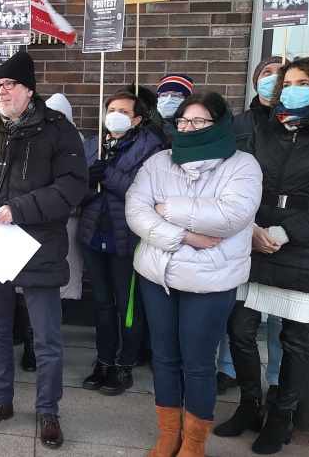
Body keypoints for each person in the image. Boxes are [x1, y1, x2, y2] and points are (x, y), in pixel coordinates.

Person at [217, 56, 309, 454]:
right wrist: (248, 228)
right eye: (288, 82)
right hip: (254, 242)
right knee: (240, 330)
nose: (291, 88)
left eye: (302, 82)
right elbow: (241, 182)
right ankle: (249, 405)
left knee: (295, 339)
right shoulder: (267, 130)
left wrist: (284, 232)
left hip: (303, 248)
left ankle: (281, 417)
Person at [0, 51, 87, 448]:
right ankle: (0, 400)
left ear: (29, 90)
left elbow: (71, 186)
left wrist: (20, 209)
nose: (1, 91)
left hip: (39, 245)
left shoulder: (58, 130)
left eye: (8, 84)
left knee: (46, 336)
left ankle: (48, 409)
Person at [126, 91, 262, 457]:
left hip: (211, 280)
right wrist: (184, 234)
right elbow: (137, 212)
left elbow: (231, 216)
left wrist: (167, 207)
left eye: (198, 121)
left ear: (219, 124)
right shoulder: (159, 162)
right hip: (159, 277)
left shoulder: (243, 165)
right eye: (184, 121)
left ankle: (194, 443)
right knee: (165, 358)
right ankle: (168, 434)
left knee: (199, 363)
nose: (188, 127)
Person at [78, 91, 161, 396]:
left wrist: (108, 175)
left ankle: (125, 364)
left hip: (126, 239)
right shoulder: (92, 145)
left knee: (128, 307)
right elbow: (77, 193)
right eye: (111, 109)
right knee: (102, 303)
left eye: (122, 111)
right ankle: (103, 360)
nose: (114, 115)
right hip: (92, 235)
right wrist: (88, 182)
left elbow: (145, 194)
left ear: (137, 119)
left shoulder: (151, 149)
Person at [219, 56, 286, 397]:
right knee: (238, 311)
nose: (273, 80)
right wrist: (250, 225)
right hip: (244, 225)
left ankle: (276, 380)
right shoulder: (237, 124)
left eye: (281, 74)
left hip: (285, 231)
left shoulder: (298, 126)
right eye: (266, 73)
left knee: (280, 317)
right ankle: (229, 370)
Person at [45, 93, 85, 302]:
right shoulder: (39, 140)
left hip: (69, 218)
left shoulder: (80, 143)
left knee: (65, 269)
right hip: (42, 217)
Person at [146, 74, 194, 148]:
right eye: (164, 95)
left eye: (175, 95)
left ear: (186, 100)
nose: (168, 100)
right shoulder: (146, 128)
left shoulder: (194, 127)